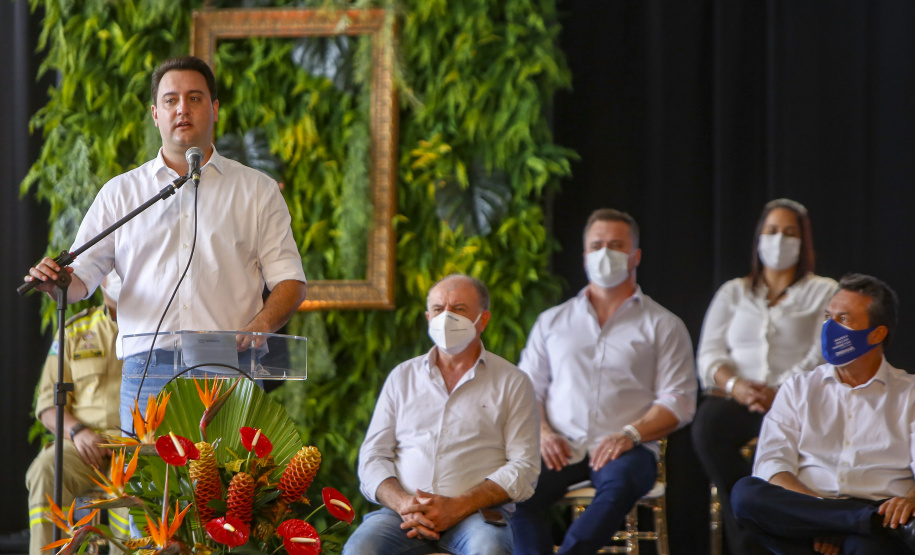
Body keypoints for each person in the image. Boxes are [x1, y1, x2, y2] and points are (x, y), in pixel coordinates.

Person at [24, 56, 307, 434]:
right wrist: (56, 281)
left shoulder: (257, 190)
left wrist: (262, 323)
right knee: (148, 492)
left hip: (227, 368)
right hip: (147, 375)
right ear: (156, 114)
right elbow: (81, 280)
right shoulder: (121, 194)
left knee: (224, 491)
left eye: (195, 98)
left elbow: (290, 279)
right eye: (171, 100)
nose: (182, 109)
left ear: (215, 109)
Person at [510, 208, 697, 555]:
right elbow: (526, 388)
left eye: (616, 245)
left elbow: (680, 401)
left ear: (635, 255)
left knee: (619, 486)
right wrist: (543, 432)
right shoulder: (552, 321)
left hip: (628, 449)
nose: (605, 253)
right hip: (558, 446)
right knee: (513, 494)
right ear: (584, 255)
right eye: (596, 245)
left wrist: (630, 434)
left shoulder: (664, 324)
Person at [345, 274, 540, 555]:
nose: (446, 317)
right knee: (359, 550)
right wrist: (403, 503)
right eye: (438, 309)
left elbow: (524, 466)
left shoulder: (513, 381)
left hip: (477, 516)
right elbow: (373, 456)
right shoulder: (402, 377)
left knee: (490, 550)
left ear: (482, 320)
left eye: (459, 309)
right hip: (402, 514)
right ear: (428, 317)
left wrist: (458, 506)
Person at [691, 198, 837, 555]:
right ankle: (749, 533)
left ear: (803, 242)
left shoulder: (824, 290)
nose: (779, 239)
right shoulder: (733, 291)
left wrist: (781, 390)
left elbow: (822, 350)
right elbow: (709, 354)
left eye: (789, 233)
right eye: (772, 231)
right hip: (739, 400)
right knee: (708, 426)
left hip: (796, 401)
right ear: (759, 238)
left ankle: (781, 531)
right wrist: (736, 386)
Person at [731, 274, 915, 555]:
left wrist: (910, 500)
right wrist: (822, 515)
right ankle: (859, 522)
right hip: (808, 511)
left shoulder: (910, 393)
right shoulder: (798, 388)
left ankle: (858, 524)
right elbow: (772, 463)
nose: (830, 328)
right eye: (828, 317)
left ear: (877, 334)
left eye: (843, 320)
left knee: (867, 548)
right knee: (746, 494)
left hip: (878, 508)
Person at [26, 274, 127, 555]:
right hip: (84, 446)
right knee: (45, 468)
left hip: (135, 446)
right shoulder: (74, 330)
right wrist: (76, 431)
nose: (119, 276)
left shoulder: (158, 334)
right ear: (100, 275)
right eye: (113, 269)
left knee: (135, 493)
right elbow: (47, 405)